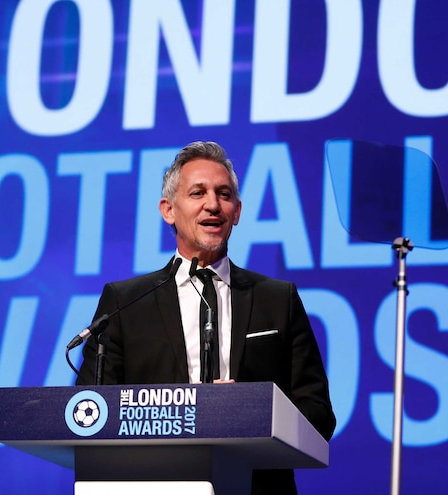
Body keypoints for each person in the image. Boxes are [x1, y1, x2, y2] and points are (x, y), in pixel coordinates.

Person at [76, 141, 335, 495]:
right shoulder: (125, 302)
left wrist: (251, 409)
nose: (213, 205)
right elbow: (91, 410)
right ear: (168, 210)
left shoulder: (278, 299)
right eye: (198, 193)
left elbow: (318, 413)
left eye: (224, 194)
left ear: (237, 211)